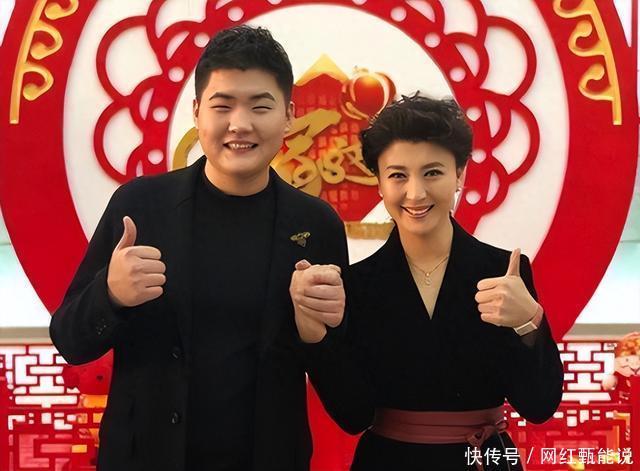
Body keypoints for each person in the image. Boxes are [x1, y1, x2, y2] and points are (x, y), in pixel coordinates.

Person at [50, 25, 348, 471]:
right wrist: (110, 295)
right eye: (222, 105)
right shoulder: (140, 207)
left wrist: (319, 333)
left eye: (260, 106)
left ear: (288, 115)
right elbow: (69, 341)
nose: (240, 124)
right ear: (196, 112)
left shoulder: (316, 224)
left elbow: (346, 397)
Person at [291, 94, 564, 470]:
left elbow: (539, 405)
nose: (416, 193)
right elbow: (353, 416)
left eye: (432, 172)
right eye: (398, 175)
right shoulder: (358, 283)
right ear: (379, 183)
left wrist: (529, 323)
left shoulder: (504, 273)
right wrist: (316, 338)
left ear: (460, 174)